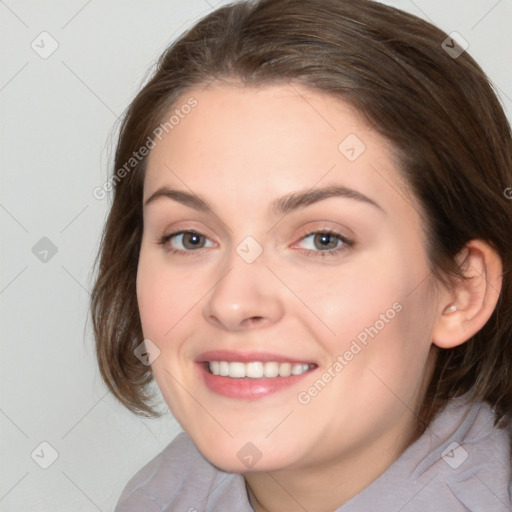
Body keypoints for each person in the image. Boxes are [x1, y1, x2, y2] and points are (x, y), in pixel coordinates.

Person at [90, 0, 512, 510]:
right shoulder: (160, 495)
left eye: (323, 240)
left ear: (461, 291)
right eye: (191, 238)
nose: (232, 302)